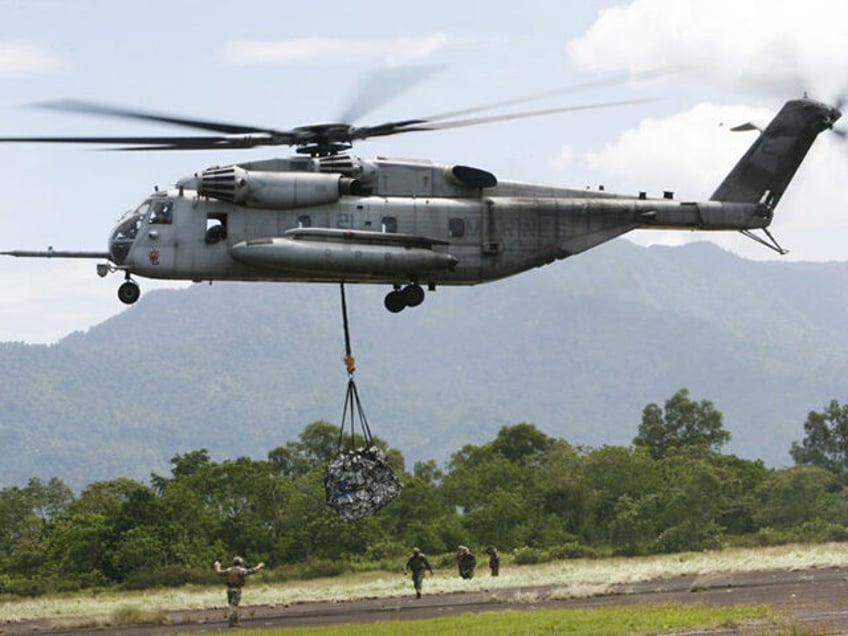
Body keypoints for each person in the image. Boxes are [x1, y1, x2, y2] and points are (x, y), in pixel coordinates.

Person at [214, 556, 265, 627]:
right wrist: (259, 566)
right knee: (234, 606)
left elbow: (219, 572)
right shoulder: (241, 570)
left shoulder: (229, 570)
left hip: (229, 590)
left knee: (232, 606)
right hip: (236, 590)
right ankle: (232, 622)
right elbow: (252, 571)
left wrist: (217, 566)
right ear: (240, 563)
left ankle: (235, 622)